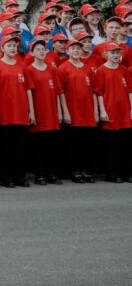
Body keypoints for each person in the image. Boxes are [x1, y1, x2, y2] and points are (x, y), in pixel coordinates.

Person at [0, 30, 32, 188]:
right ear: (2, 48)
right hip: (5, 113)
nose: (13, 48)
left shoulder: (22, 66)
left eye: (15, 45)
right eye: (9, 45)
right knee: (5, 148)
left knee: (20, 148)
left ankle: (20, 176)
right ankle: (6, 177)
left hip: (20, 113)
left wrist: (31, 111)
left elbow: (28, 89)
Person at [24, 38, 62, 185]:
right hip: (39, 111)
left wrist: (59, 111)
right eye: (37, 49)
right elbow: (29, 93)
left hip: (51, 112)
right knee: (40, 145)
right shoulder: (29, 70)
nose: (41, 52)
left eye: (43, 49)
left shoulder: (52, 69)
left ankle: (51, 173)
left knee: (52, 145)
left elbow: (58, 91)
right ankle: (40, 174)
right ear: (32, 52)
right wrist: (31, 113)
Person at [57, 38, 97, 183]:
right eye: (73, 48)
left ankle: (85, 170)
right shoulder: (63, 68)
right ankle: (75, 171)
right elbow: (60, 91)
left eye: (78, 48)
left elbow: (94, 91)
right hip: (73, 110)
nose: (76, 51)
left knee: (87, 142)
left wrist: (96, 112)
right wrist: (65, 112)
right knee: (74, 143)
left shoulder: (87, 69)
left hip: (87, 111)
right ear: (67, 51)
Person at [93, 41, 132, 182]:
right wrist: (102, 110)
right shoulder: (101, 70)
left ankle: (127, 172)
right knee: (112, 145)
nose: (115, 55)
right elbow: (100, 93)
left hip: (125, 111)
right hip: (110, 111)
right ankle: (113, 174)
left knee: (126, 143)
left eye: (117, 52)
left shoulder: (123, 70)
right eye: (112, 52)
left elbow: (129, 91)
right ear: (106, 54)